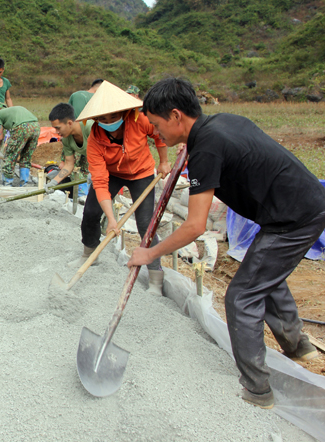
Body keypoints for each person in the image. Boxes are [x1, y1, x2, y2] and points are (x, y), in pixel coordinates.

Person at [128, 77, 325, 409]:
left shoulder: (206, 147)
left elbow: (193, 227)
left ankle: (257, 389)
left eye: (158, 125)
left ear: (177, 116)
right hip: (296, 205)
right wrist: (188, 147)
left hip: (293, 218)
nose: (156, 134)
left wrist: (150, 252)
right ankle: (297, 346)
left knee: (241, 297)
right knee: (263, 274)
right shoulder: (218, 126)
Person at [75, 81, 169, 293]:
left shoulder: (140, 120)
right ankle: (89, 254)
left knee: (146, 223)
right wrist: (111, 219)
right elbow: (99, 181)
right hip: (113, 174)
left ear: (123, 112)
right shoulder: (96, 140)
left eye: (113, 116)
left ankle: (155, 279)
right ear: (95, 119)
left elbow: (159, 135)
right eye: (102, 118)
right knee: (91, 211)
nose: (108, 121)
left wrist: (163, 161)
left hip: (141, 173)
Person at [0, 103, 40, 187]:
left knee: (9, 158)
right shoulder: (13, 111)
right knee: (26, 158)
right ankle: (24, 184)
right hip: (36, 127)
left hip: (21, 128)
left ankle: (7, 185)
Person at [46, 103, 91, 196]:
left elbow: (108, 151)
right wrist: (54, 182)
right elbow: (69, 164)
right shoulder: (67, 139)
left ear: (69, 123)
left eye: (58, 128)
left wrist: (98, 171)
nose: (56, 132)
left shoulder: (90, 128)